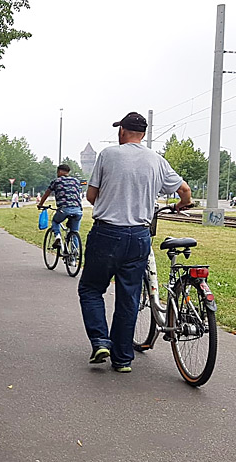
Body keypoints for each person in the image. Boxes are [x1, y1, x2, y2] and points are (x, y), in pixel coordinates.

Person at [78, 111, 192, 373]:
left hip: (107, 233)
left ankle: (100, 341)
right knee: (128, 296)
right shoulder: (157, 160)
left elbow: (92, 195)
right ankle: (122, 359)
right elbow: (184, 191)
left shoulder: (107, 155)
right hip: (139, 236)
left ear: (122, 131)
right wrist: (179, 206)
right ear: (142, 134)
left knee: (91, 289)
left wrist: (109, 202)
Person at [38, 164, 83, 249]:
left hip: (64, 209)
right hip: (78, 210)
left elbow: (46, 194)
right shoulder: (76, 181)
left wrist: (40, 204)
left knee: (55, 221)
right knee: (74, 232)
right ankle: (74, 257)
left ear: (60, 171)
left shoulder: (56, 181)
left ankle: (57, 236)